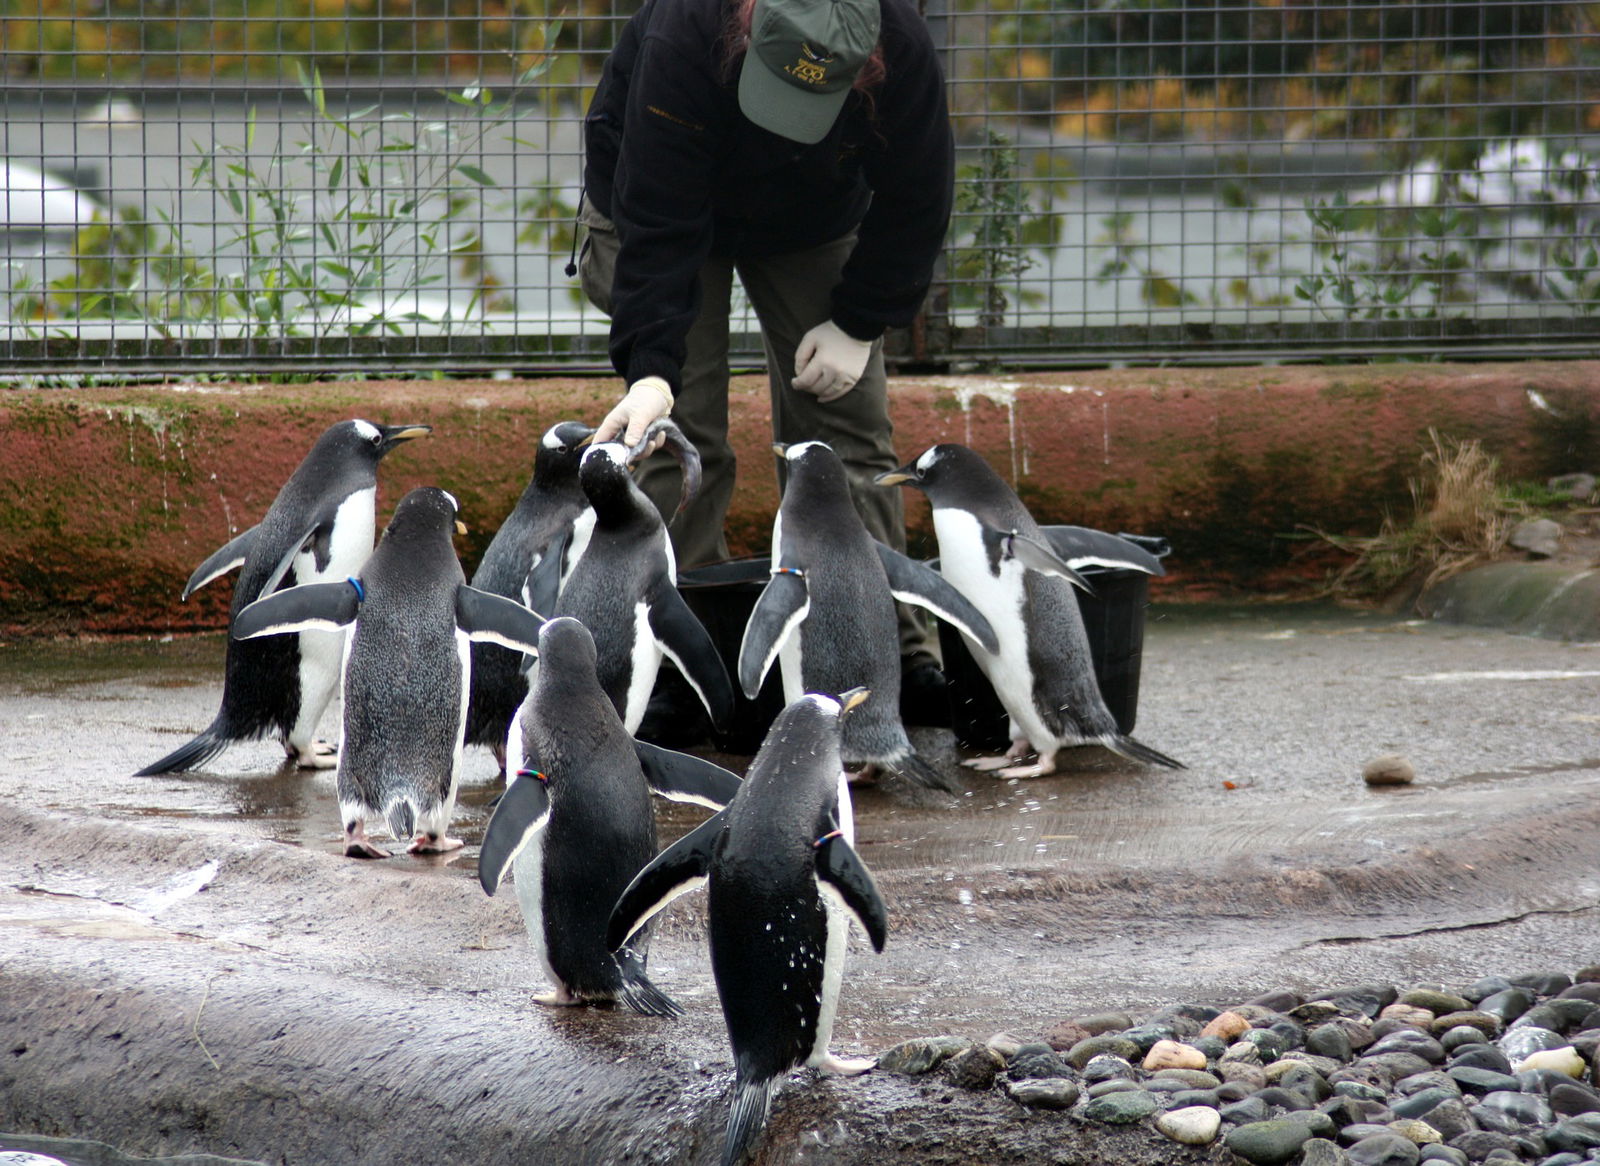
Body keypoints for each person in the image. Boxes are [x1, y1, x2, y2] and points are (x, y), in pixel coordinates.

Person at [577, 0, 955, 704]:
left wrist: (860, 324)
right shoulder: (686, 32)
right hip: (665, 202)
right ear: (748, 31)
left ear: (863, 68)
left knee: (845, 431)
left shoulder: (899, 44)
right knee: (678, 437)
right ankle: (677, 657)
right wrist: (653, 371)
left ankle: (884, 648)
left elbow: (918, 197)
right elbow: (659, 220)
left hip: (814, 213)